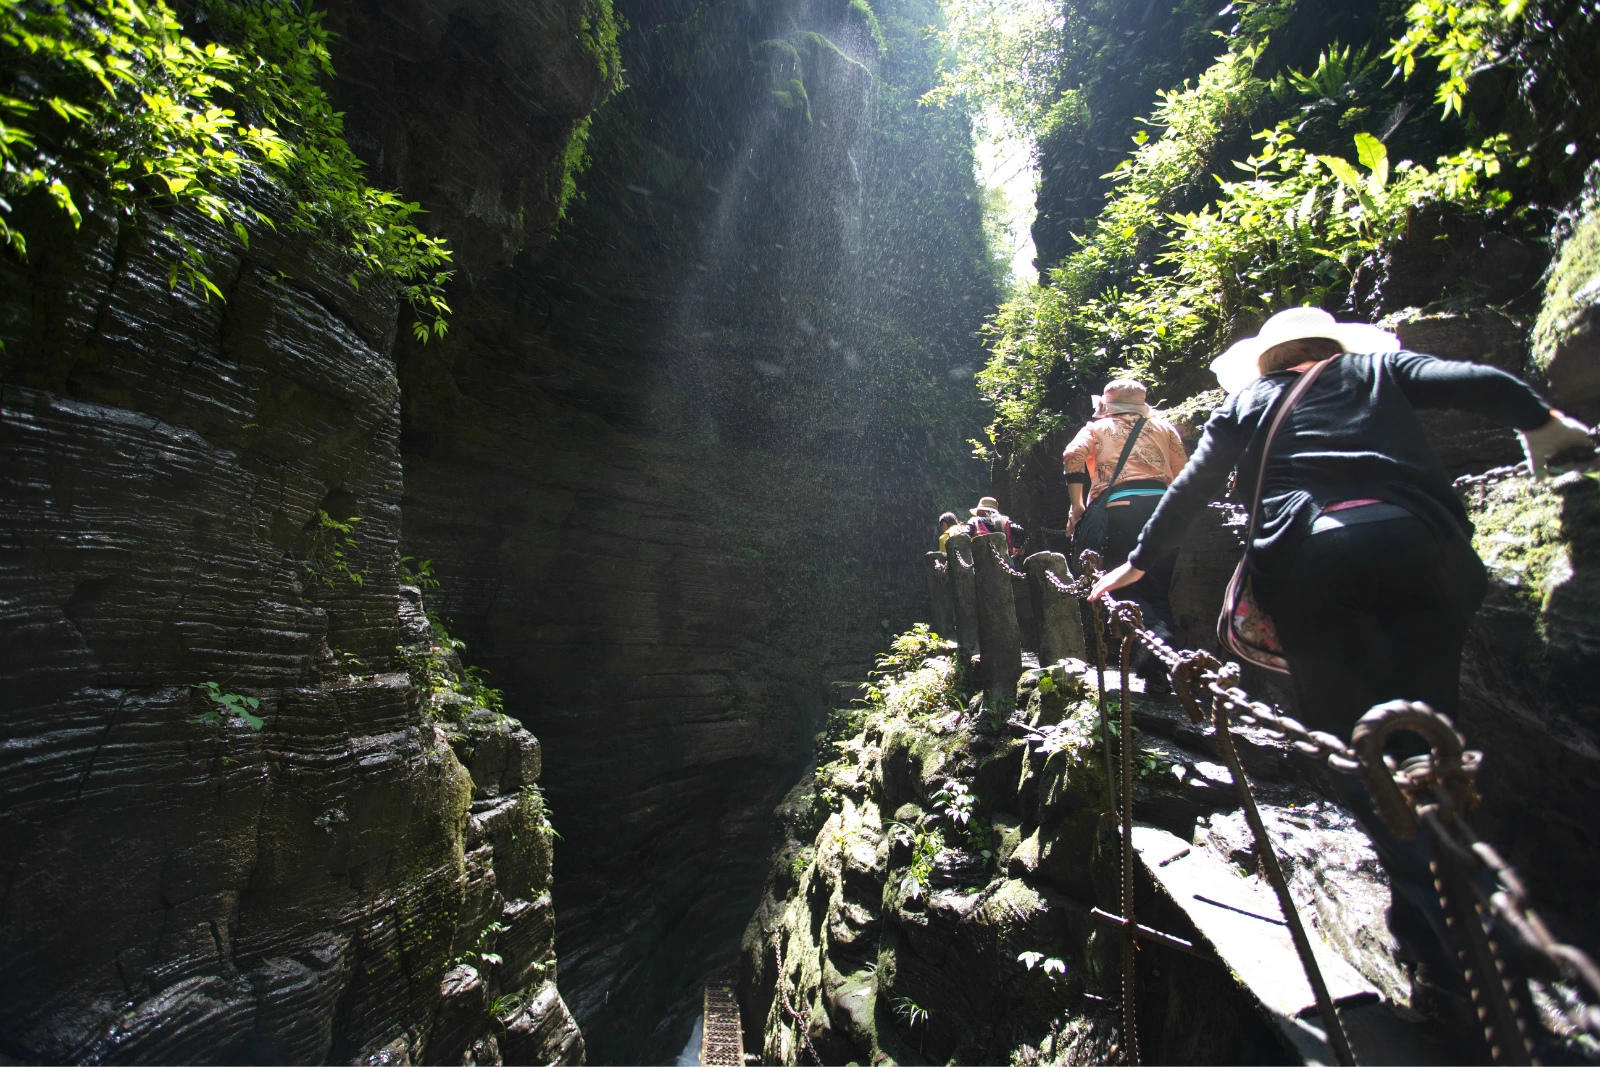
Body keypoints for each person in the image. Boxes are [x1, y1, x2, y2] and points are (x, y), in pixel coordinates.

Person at [1090, 305, 1592, 1017]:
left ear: (1269, 358)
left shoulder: (1252, 400)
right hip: (1422, 553)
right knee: (1429, 739)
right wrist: (1545, 426)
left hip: (1315, 568)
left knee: (1358, 754)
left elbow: (1193, 489)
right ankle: (1450, 916)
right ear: (1333, 345)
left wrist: (1136, 565)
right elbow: (1479, 380)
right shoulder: (1379, 368)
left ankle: (1442, 936)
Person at [1062, 378, 1189, 689]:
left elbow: (1071, 455)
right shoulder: (1163, 428)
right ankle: (1159, 667)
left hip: (1122, 508)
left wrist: (1077, 506)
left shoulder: (1097, 428)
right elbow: (1182, 470)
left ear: (1106, 403)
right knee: (1157, 589)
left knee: (1121, 584)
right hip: (1165, 510)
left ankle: (1158, 647)